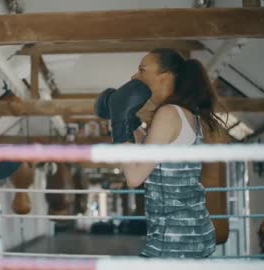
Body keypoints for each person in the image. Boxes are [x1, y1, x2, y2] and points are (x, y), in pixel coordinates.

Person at [95, 48, 223, 258]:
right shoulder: (186, 114)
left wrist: (119, 121)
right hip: (192, 234)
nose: (134, 77)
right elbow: (148, 149)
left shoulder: (168, 113)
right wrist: (127, 119)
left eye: (142, 70)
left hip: (174, 240)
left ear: (165, 77)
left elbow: (134, 177)